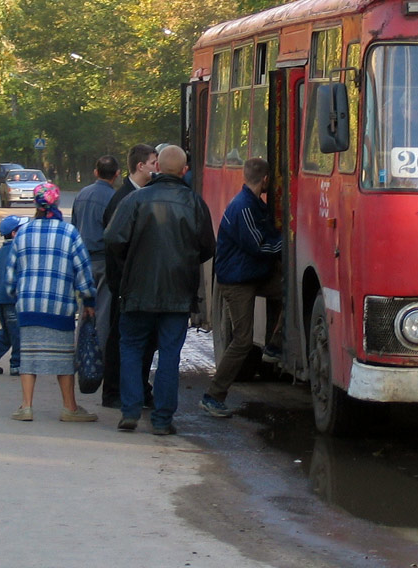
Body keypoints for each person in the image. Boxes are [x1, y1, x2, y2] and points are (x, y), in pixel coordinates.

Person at [104, 145, 214, 435]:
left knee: (130, 347)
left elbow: (113, 238)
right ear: (183, 170)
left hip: (138, 288)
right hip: (178, 292)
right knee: (169, 354)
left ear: (157, 168)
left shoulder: (136, 199)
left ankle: (129, 411)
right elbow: (207, 247)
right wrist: (184, 259)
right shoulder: (194, 203)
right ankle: (162, 419)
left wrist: (132, 259)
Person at [4, 182, 98, 423]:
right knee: (64, 358)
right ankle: (69, 407)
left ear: (36, 204)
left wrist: (15, 295)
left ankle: (26, 406)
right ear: (56, 203)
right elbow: (83, 270)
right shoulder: (69, 233)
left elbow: (11, 272)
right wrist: (88, 300)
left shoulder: (23, 232)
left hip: (29, 305)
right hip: (59, 307)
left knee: (29, 356)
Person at [202, 157, 283, 419]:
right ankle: (213, 396)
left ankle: (275, 344)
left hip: (251, 274)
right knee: (242, 341)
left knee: (287, 288)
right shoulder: (245, 207)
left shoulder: (253, 203)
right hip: (237, 281)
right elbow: (259, 245)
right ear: (266, 180)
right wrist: (288, 244)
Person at [99, 143, 159, 409]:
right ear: (141, 166)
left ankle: (136, 388)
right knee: (120, 338)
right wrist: (128, 276)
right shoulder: (124, 197)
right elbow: (115, 243)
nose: (156, 167)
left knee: (139, 340)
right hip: (124, 281)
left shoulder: (139, 194)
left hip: (133, 280)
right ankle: (113, 392)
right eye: (153, 162)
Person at [0, 215, 30, 376]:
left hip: (2, 299)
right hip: (13, 299)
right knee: (18, 333)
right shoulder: (18, 253)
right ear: (15, 234)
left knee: (8, 331)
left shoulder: (0, 252)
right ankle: (17, 364)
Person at [71, 155, 119, 288]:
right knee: (103, 303)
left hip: (82, 257)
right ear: (117, 173)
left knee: (85, 303)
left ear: (96, 172)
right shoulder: (115, 198)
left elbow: (74, 225)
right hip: (103, 259)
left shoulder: (82, 194)